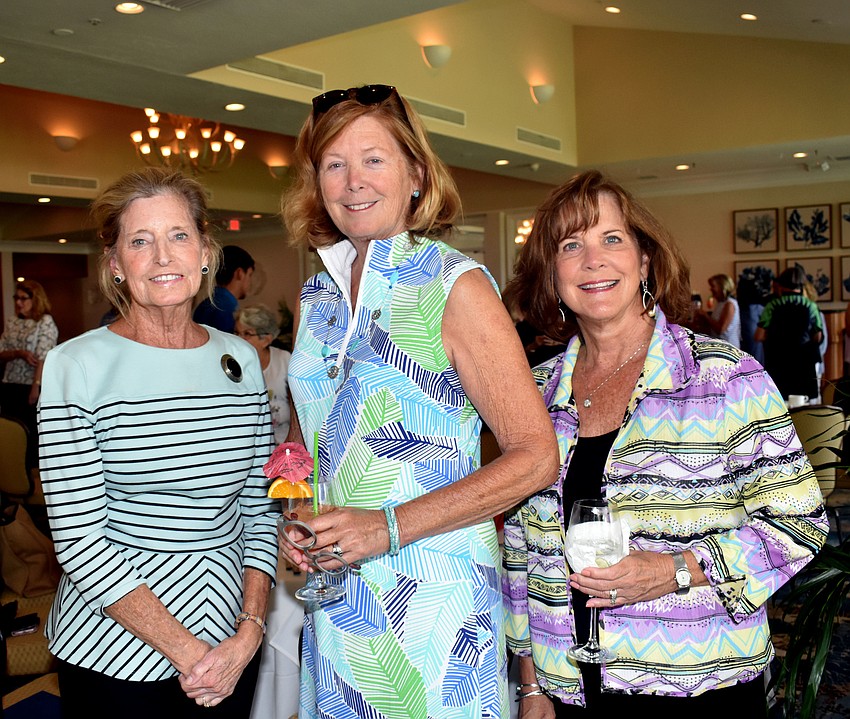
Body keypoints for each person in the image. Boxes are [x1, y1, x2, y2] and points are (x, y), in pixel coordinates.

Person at [502, 170, 828, 717]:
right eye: (571, 245)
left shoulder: (724, 379)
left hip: (698, 681)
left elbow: (797, 527)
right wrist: (532, 687)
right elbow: (520, 549)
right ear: (550, 275)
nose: (593, 261)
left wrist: (675, 569)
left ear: (645, 260)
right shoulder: (534, 393)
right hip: (568, 686)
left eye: (612, 239)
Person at [279, 84, 558, 718]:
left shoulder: (454, 285)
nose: (354, 181)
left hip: (435, 605)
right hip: (338, 595)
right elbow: (302, 439)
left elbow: (537, 457)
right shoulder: (316, 297)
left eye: (373, 159)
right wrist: (291, 512)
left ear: (415, 172)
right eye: (334, 164)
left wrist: (388, 526)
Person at [37, 167, 278, 718]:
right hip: (114, 656)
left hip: (232, 645)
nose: (163, 257)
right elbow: (79, 540)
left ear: (204, 252)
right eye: (140, 242)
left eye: (178, 236)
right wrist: (190, 654)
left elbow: (258, 509)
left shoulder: (238, 359)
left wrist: (249, 630)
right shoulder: (76, 364)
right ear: (116, 265)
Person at [0, 279, 58, 469]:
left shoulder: (45, 322)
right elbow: (2, 352)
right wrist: (19, 353)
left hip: (32, 385)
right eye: (16, 298)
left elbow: (44, 357)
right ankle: (12, 477)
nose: (18, 302)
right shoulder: (12, 322)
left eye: (24, 298)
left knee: (30, 433)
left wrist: (36, 386)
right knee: (11, 433)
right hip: (10, 383)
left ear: (36, 299)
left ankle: (31, 478)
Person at [755, 264, 823, 401]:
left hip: (778, 361)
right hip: (804, 364)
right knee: (805, 403)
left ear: (781, 285)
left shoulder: (772, 306)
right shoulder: (811, 306)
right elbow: (818, 336)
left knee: (780, 404)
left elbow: (759, 335)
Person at [234, 305, 291, 445]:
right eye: (236, 333)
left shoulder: (284, 360)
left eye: (247, 334)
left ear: (266, 339)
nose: (238, 339)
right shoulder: (231, 363)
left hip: (284, 444)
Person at [193, 244, 255, 333]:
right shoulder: (227, 309)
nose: (250, 282)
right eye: (249, 275)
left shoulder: (204, 305)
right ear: (240, 273)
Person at [698, 273, 741, 348]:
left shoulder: (729, 304)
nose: (711, 289)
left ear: (722, 286)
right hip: (720, 345)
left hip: (729, 347)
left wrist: (705, 315)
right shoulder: (721, 303)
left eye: (713, 286)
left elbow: (721, 330)